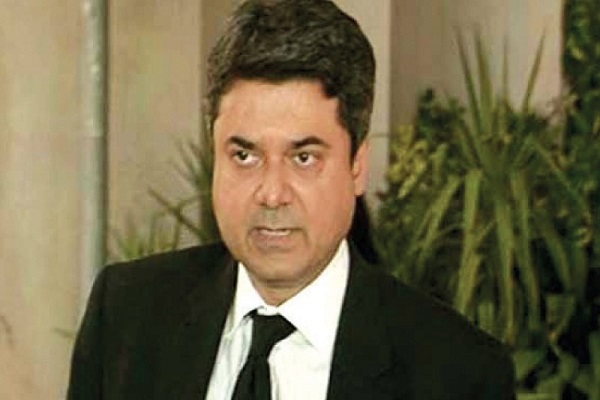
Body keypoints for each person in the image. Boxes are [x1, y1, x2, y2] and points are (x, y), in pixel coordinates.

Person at [67, 0, 516, 399]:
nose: (272, 193)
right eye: (244, 156)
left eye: (303, 158)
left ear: (357, 165)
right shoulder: (126, 317)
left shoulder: (458, 373)